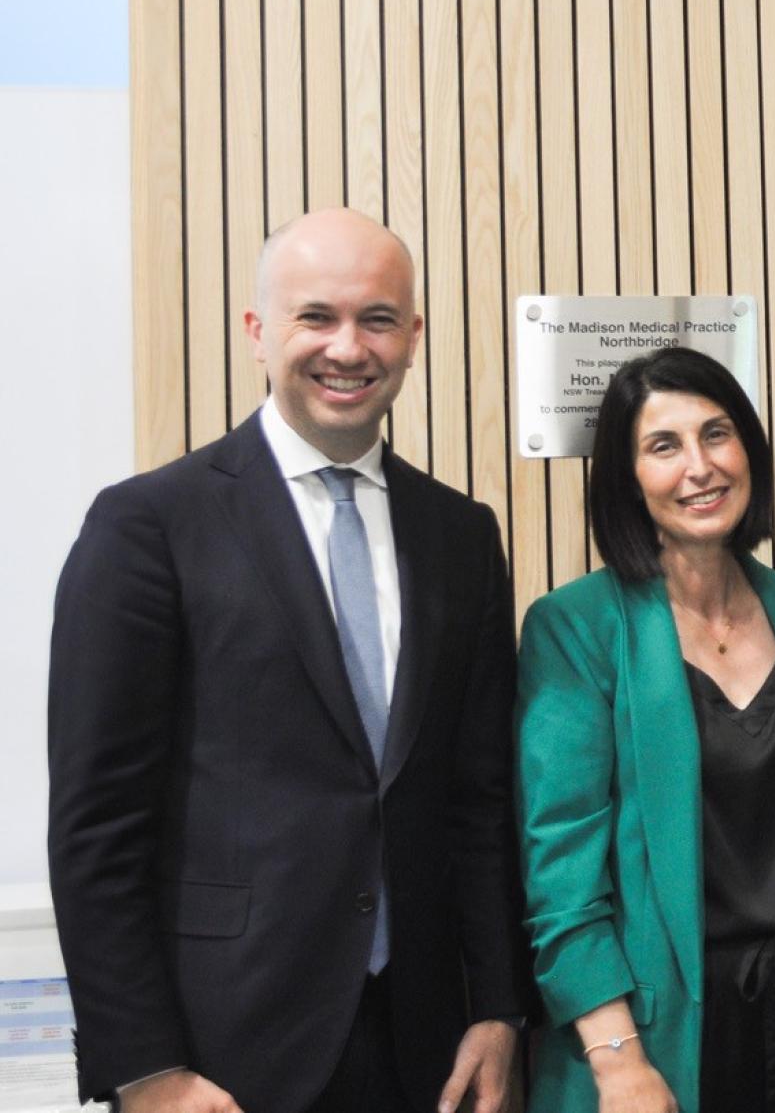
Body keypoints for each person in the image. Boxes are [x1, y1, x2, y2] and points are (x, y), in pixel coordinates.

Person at [47, 208, 529, 1113]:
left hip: (428, 1051)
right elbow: (95, 827)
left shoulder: (462, 536)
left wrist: (498, 1011)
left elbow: (480, 802)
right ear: (258, 330)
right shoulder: (148, 527)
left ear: (414, 336)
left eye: (378, 319)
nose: (348, 347)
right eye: (317, 316)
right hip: (222, 1058)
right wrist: (144, 1068)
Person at [517, 347, 775, 1113]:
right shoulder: (577, 628)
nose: (700, 466)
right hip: (668, 1036)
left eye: (717, 434)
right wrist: (617, 1060)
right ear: (626, 477)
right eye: (664, 446)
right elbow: (560, 874)